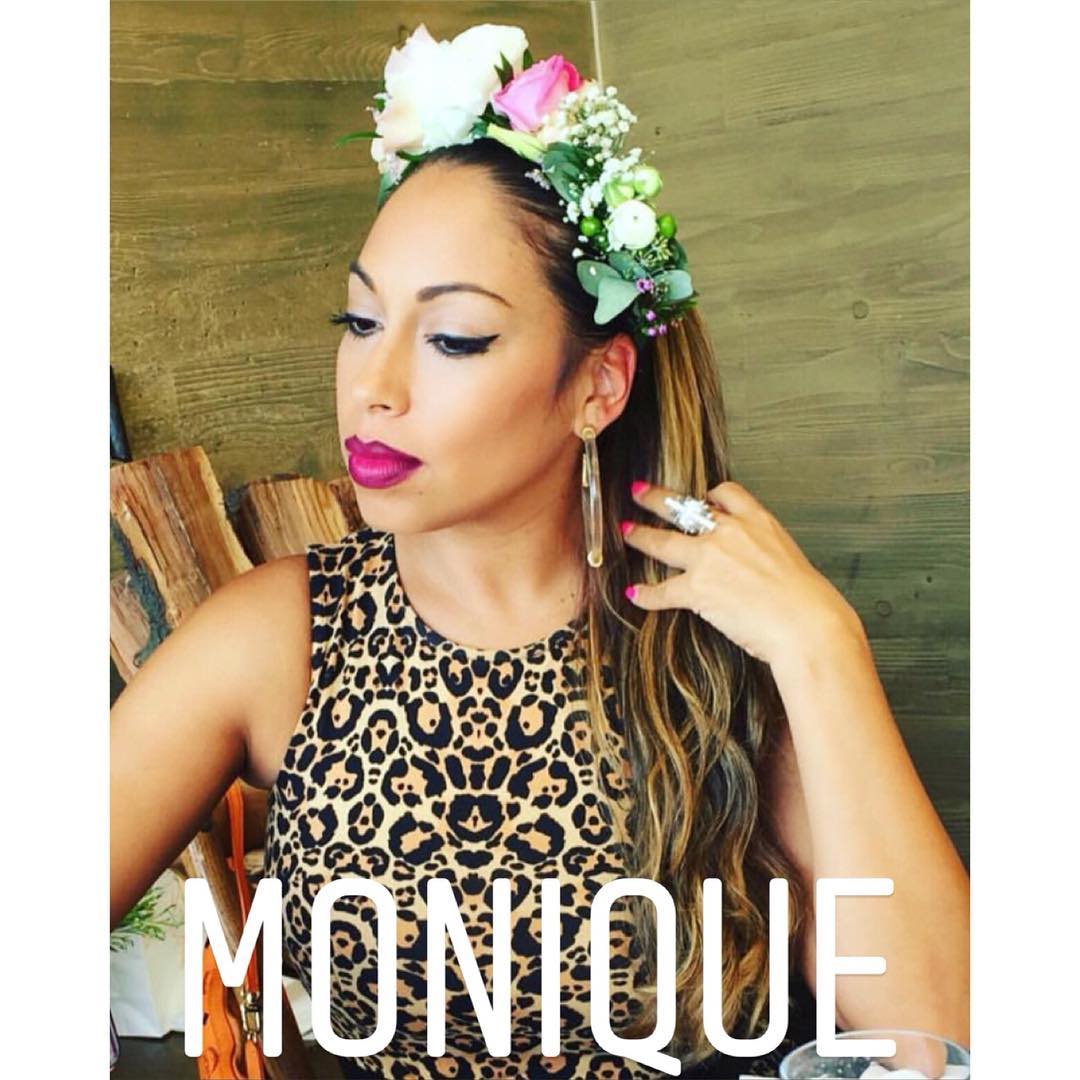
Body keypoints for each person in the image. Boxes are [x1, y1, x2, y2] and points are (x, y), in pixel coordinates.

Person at [110, 23, 969, 1080]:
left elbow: (946, 1044)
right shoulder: (279, 638)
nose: (373, 387)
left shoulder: (718, 648)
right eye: (360, 320)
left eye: (453, 338)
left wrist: (823, 648)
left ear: (597, 387)